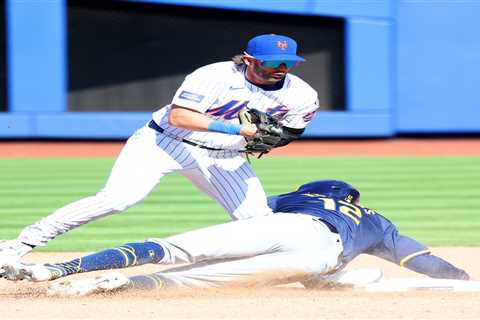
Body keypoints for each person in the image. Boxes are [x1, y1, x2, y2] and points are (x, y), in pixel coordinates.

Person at [0, 34, 319, 268]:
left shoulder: (301, 94)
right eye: (272, 62)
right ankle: (19, 244)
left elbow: (291, 130)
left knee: (258, 221)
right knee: (117, 199)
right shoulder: (213, 76)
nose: (281, 68)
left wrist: (278, 138)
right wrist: (238, 129)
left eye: (289, 62)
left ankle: (290, 269)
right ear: (248, 60)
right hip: (163, 144)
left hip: (224, 158)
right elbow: (179, 117)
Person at [1, 180, 469, 296]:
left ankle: (56, 267)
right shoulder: (376, 221)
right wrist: (461, 281)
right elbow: (419, 259)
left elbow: (255, 210)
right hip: (322, 254)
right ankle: (125, 288)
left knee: (171, 248)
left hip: (284, 227)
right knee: (187, 283)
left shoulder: (298, 200)